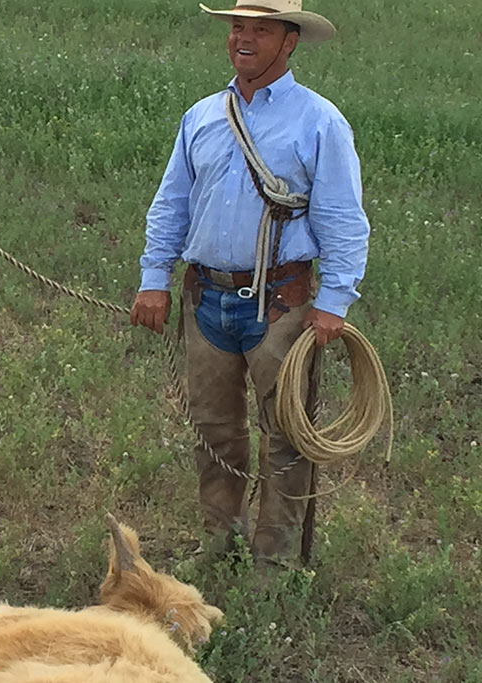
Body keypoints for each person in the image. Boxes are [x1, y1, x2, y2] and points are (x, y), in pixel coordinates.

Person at [131, 0, 370, 568]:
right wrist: (153, 278)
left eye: (261, 30)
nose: (244, 38)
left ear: (289, 42)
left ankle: (275, 562)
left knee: (286, 436)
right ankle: (218, 542)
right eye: (239, 27)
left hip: (282, 304)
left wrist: (334, 301)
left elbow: (343, 218)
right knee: (213, 430)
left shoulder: (320, 121)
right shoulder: (202, 116)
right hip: (206, 296)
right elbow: (173, 204)